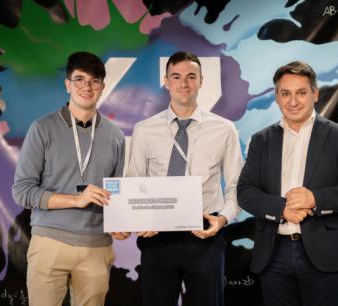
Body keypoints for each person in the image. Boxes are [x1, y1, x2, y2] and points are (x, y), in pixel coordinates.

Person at [237, 61, 338, 306]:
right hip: (273, 254)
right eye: (285, 93)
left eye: (301, 92)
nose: (293, 101)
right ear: (277, 97)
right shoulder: (261, 140)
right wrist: (281, 209)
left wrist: (315, 199)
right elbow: (245, 192)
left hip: (323, 255)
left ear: (315, 94)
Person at [126, 51, 243, 306]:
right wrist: (137, 219)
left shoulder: (224, 129)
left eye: (191, 76)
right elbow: (133, 183)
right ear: (166, 81)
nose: (184, 83)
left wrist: (222, 219)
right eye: (176, 76)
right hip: (157, 236)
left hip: (204, 234)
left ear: (201, 81)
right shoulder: (144, 130)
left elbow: (237, 185)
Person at [12, 51, 127, 306]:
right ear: (68, 84)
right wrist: (76, 200)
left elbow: (117, 193)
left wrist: (121, 221)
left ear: (102, 87)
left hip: (97, 247)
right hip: (50, 242)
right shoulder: (42, 129)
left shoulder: (116, 136)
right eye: (79, 79)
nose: (87, 87)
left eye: (94, 81)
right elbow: (22, 191)